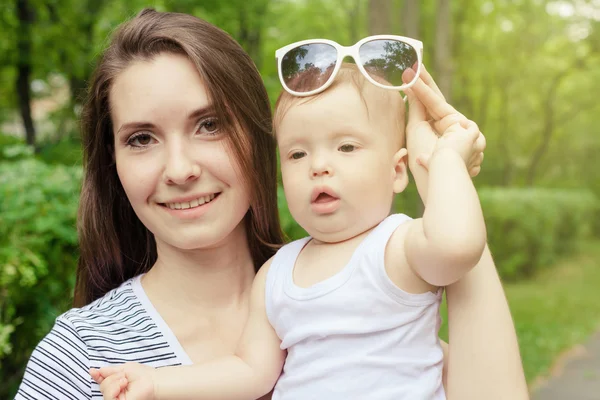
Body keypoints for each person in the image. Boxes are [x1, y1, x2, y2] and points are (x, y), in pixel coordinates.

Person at [15, 9, 528, 400]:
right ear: (114, 164)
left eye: (209, 125)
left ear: (258, 141)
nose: (179, 169)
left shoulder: (352, 304)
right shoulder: (83, 357)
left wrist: (444, 175)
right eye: (141, 138)